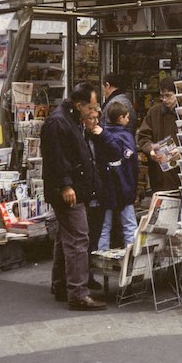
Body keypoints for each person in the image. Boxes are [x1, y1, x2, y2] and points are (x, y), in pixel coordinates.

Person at [41, 82, 106, 311]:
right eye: (91, 107)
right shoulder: (59, 122)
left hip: (75, 188)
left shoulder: (70, 120)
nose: (94, 111)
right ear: (79, 105)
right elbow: (56, 158)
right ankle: (78, 293)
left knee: (65, 237)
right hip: (69, 191)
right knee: (78, 238)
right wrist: (66, 185)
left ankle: (61, 285)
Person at [91, 101, 139, 250]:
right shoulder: (125, 136)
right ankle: (131, 262)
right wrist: (134, 188)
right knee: (129, 225)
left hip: (106, 186)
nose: (129, 120)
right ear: (120, 118)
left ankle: (101, 259)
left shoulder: (100, 134)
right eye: (126, 117)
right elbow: (132, 164)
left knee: (105, 227)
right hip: (124, 186)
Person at [136, 76, 181, 193]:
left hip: (181, 173)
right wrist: (151, 151)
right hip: (158, 173)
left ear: (177, 94)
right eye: (162, 96)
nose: (165, 100)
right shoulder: (154, 112)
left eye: (168, 95)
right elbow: (143, 137)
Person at [81, 105, 105, 291]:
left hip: (99, 191)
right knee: (84, 237)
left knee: (94, 236)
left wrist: (103, 136)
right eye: (92, 118)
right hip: (86, 193)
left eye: (97, 118)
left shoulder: (99, 137)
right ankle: (83, 276)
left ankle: (89, 275)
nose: (95, 122)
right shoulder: (80, 138)